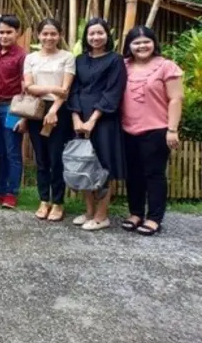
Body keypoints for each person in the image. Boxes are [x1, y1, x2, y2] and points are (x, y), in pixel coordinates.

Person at [121, 26, 183, 236]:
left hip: (156, 129)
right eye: (136, 42)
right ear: (129, 46)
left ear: (154, 43)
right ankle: (136, 213)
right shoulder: (123, 65)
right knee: (133, 174)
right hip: (127, 129)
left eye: (146, 41)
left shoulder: (166, 66)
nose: (142, 46)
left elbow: (176, 99)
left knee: (154, 174)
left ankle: (155, 218)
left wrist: (172, 129)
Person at [68, 18, 127, 231]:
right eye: (91, 33)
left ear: (107, 35)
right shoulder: (79, 60)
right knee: (84, 164)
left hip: (104, 120)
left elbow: (113, 92)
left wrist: (93, 119)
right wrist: (76, 118)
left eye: (100, 33)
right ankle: (89, 212)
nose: (95, 37)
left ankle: (102, 216)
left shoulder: (115, 60)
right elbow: (73, 90)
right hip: (80, 118)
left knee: (103, 167)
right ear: (86, 37)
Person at [23, 18, 75, 222]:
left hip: (59, 111)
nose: (49, 37)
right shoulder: (31, 58)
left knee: (56, 158)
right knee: (41, 159)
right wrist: (53, 88)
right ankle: (44, 200)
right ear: (38, 35)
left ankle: (58, 202)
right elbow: (29, 87)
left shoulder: (67, 57)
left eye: (53, 33)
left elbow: (66, 89)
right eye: (45, 33)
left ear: (59, 35)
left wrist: (53, 111)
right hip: (36, 110)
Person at [0, 15, 27, 210]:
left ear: (18, 33)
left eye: (9, 32)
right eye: (1, 32)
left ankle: (11, 193)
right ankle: (0, 190)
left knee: (12, 152)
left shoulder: (22, 56)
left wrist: (24, 116)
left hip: (13, 108)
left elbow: (26, 86)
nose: (5, 36)